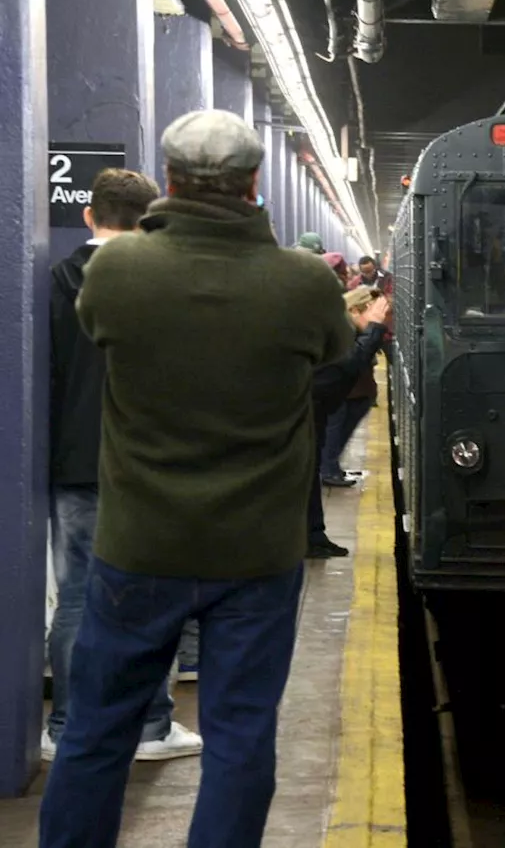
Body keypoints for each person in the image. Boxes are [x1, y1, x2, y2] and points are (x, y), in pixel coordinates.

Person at [39, 109, 353, 848]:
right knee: (241, 736)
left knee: (97, 730)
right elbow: (335, 351)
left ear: (169, 181)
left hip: (140, 545)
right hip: (256, 556)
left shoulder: (118, 269)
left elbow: (95, 325)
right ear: (254, 185)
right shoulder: (302, 282)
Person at [45, 168, 203, 764]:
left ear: (89, 216)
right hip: (146, 467)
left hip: (75, 467)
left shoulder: (53, 282)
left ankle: (63, 728)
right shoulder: (167, 285)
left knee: (79, 599)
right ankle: (150, 727)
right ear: (148, 220)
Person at [309, 288, 391, 547]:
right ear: (355, 310)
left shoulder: (340, 327)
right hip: (305, 416)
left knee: (310, 476)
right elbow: (343, 369)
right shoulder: (337, 333)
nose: (382, 317)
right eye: (374, 311)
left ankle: (314, 537)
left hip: (312, 416)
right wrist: (374, 330)